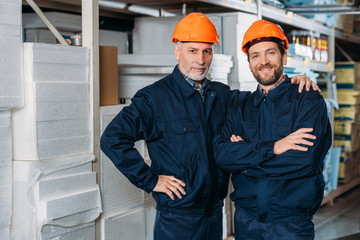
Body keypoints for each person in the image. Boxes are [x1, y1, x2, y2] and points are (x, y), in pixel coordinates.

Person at [100, 13, 319, 240]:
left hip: (214, 214)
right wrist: (150, 180)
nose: (201, 59)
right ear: (177, 51)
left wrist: (294, 80)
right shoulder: (154, 98)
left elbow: (264, 94)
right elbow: (112, 138)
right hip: (178, 217)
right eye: (192, 51)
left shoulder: (221, 95)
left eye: (207, 51)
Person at [214, 19, 332, 240]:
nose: (263, 62)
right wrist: (275, 148)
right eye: (255, 55)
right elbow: (222, 156)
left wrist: (245, 163)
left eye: (271, 53)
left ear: (284, 57)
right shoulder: (240, 106)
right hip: (246, 221)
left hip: (291, 223)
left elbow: (303, 161)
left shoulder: (307, 99)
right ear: (249, 62)